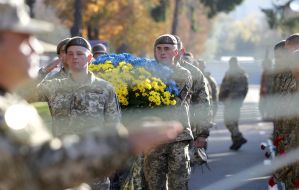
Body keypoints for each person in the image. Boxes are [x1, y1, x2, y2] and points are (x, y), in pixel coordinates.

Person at [0, 1, 183, 189]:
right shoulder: (51, 86)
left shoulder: (105, 88)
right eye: (25, 39)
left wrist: (115, 153)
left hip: (91, 171)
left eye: (79, 54)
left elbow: (113, 123)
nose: (36, 48)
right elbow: (38, 165)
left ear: (89, 58)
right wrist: (123, 145)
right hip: (74, 165)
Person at [143, 34, 193, 190]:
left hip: (177, 137)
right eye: (158, 49)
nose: (162, 52)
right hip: (153, 137)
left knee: (178, 183)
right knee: (154, 183)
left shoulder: (183, 74)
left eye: (167, 49)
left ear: (176, 52)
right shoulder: (146, 72)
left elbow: (170, 101)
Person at [173, 35, 212, 166]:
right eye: (161, 49)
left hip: (185, 132)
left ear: (180, 51)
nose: (165, 52)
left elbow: (203, 104)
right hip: (157, 136)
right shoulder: (152, 71)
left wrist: (202, 134)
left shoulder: (194, 73)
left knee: (178, 176)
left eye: (171, 49)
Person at [219, 57, 248, 151]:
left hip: (230, 101)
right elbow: (246, 88)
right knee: (234, 122)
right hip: (237, 101)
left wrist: (221, 98)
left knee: (228, 122)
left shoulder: (230, 73)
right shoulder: (243, 74)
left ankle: (239, 137)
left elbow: (225, 87)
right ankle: (236, 143)